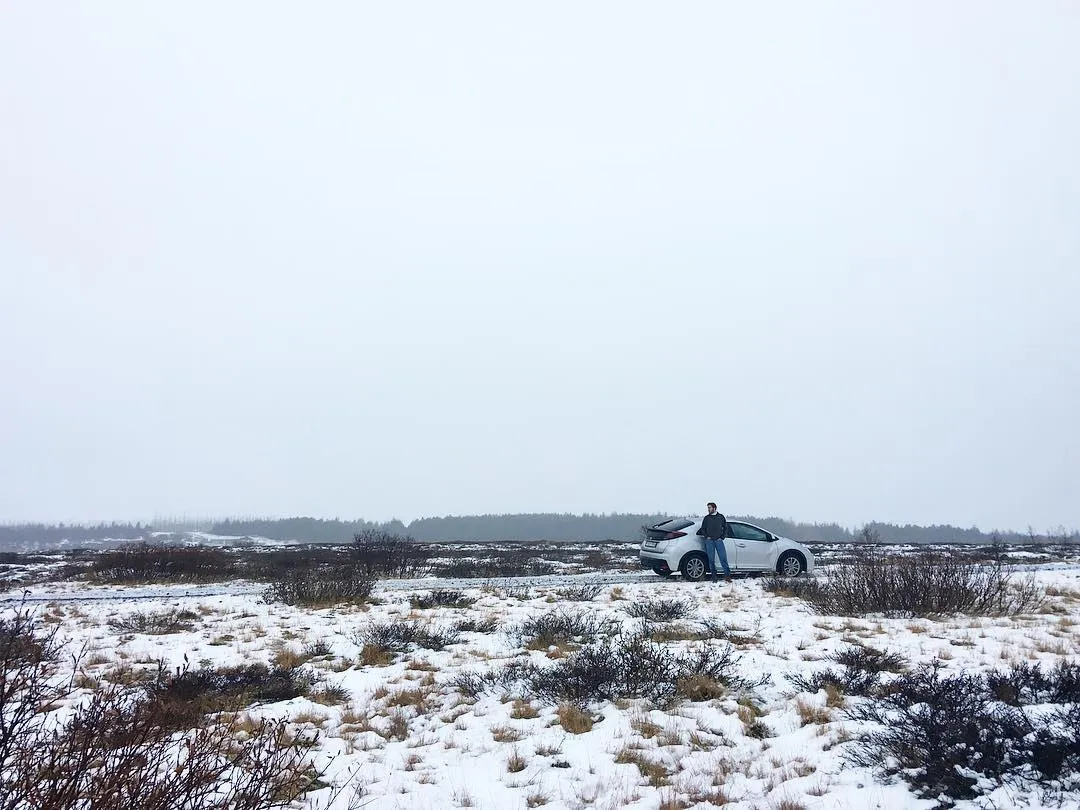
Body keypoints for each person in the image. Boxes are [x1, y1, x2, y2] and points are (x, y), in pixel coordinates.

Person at [695, 502, 731, 582]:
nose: (708, 509)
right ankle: (714, 576)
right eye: (708, 508)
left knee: (723, 558)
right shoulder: (706, 518)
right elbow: (703, 529)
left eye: (709, 508)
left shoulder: (721, 517)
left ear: (714, 508)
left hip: (719, 540)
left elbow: (725, 528)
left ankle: (727, 576)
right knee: (711, 559)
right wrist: (706, 536)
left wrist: (722, 537)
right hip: (709, 541)